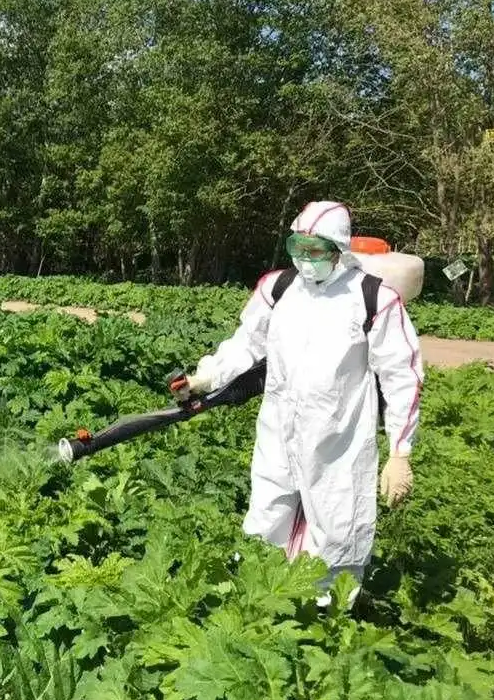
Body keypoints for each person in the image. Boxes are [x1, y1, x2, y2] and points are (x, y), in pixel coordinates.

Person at [174, 201, 423, 608]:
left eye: (316, 251)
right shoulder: (279, 288)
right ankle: (257, 602)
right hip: (278, 428)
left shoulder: (371, 298)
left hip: (338, 437)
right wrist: (208, 375)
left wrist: (400, 452)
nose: (305, 260)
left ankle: (324, 617)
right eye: (298, 248)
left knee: (338, 524)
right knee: (266, 513)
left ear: (338, 249)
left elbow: (402, 376)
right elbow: (246, 343)